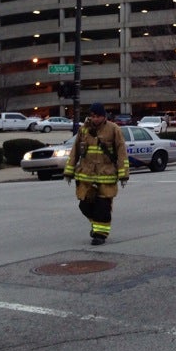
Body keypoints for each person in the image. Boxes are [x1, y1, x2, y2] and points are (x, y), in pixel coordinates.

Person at [63, 102, 129, 246]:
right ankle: (96, 225)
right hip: (86, 176)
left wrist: (124, 174)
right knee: (84, 206)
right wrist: (69, 171)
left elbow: (121, 152)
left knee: (102, 207)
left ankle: (100, 235)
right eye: (93, 116)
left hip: (106, 175)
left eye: (98, 116)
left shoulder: (113, 129)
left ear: (104, 116)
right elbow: (75, 151)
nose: (95, 119)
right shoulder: (83, 130)